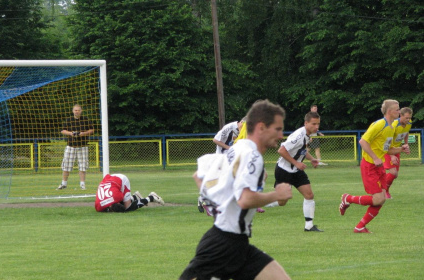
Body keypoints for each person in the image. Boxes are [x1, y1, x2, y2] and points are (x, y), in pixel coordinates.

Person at [180, 100, 293, 280]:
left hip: (238, 244)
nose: (281, 135)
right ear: (262, 127)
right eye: (277, 129)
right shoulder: (252, 155)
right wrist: (276, 194)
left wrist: (221, 205)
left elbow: (199, 176)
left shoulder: (237, 148)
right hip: (221, 247)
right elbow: (245, 199)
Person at [339, 99, 406, 233]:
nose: (399, 111)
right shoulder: (379, 124)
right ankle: (348, 198)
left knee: (381, 200)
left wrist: (400, 150)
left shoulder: (391, 127)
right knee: (378, 199)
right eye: (397, 109)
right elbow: (363, 141)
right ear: (389, 111)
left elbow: (386, 149)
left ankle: (360, 227)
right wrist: (375, 158)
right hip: (370, 165)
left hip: (379, 166)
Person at [272, 111, 324, 232]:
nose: (316, 127)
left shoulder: (307, 134)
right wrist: (296, 163)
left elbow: (301, 150)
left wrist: (311, 159)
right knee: (282, 201)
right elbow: (281, 150)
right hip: (284, 170)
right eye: (313, 124)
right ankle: (257, 203)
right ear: (306, 123)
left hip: (295, 170)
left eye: (318, 124)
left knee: (309, 195)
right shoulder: (298, 136)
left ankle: (309, 226)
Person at [57, 104, 94, 190]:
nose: (77, 112)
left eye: (78, 110)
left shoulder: (86, 120)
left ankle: (82, 184)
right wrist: (71, 133)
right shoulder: (69, 120)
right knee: (66, 166)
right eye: (75, 110)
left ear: (81, 111)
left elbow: (92, 130)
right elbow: (63, 130)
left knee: (83, 166)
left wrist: (83, 134)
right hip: (71, 146)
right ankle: (64, 184)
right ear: (73, 111)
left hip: (83, 146)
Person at [94, 174, 164, 212]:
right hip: (110, 179)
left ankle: (151, 197)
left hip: (122, 179)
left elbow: (122, 202)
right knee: (125, 204)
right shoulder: (98, 206)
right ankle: (136, 197)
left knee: (127, 207)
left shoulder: (117, 197)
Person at [384, 107, 412, 199]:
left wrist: (406, 144)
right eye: (406, 118)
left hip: (397, 149)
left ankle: (383, 187)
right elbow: (387, 140)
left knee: (395, 175)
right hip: (388, 149)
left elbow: (406, 132)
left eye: (409, 118)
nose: (408, 120)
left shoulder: (409, 123)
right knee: (393, 173)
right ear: (400, 115)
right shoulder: (394, 124)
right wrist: (391, 155)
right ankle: (384, 191)